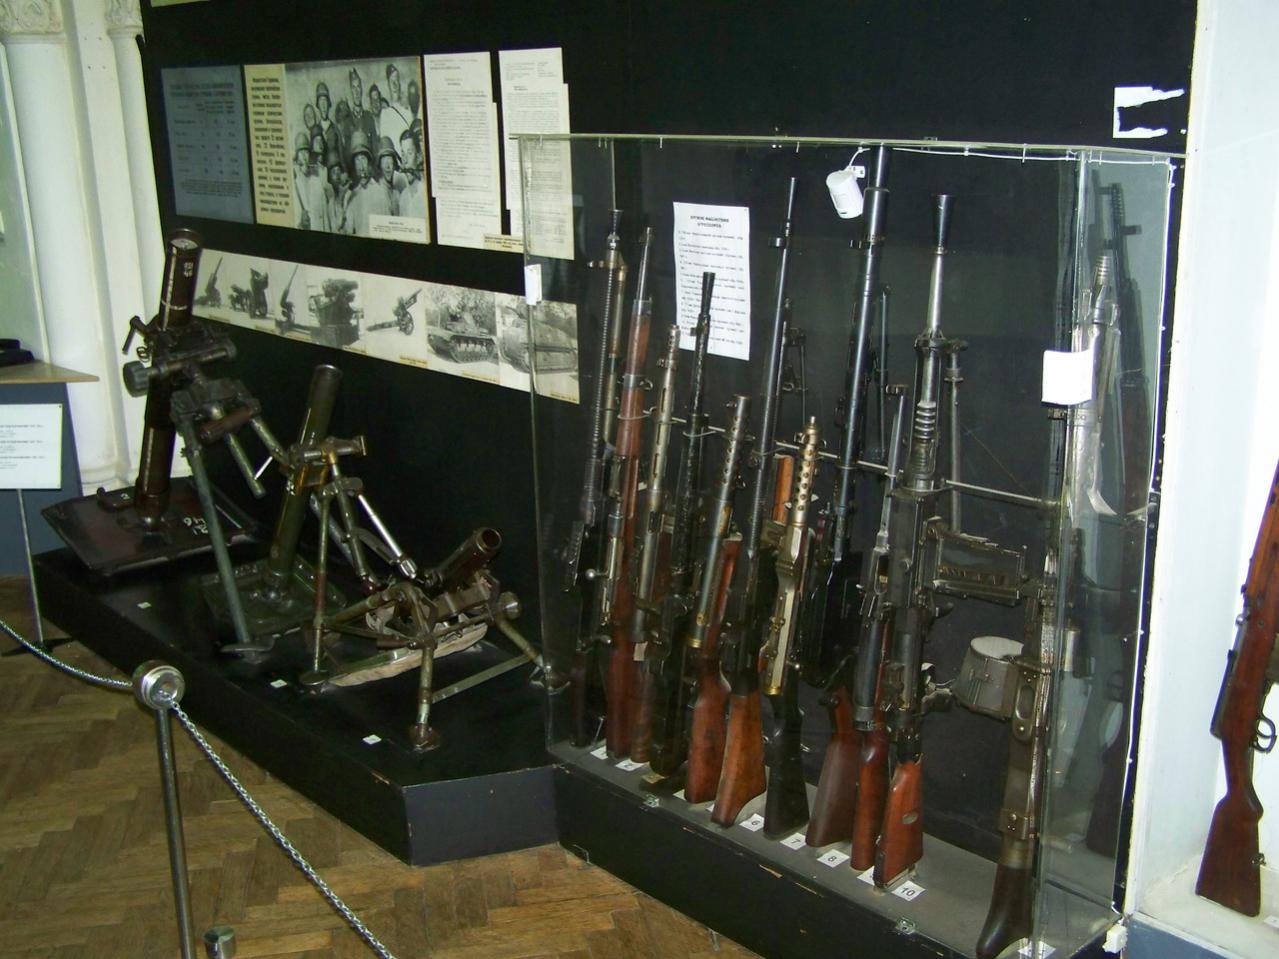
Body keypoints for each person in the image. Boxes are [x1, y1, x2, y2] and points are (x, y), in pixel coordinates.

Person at [342, 131, 391, 236]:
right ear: (354, 165)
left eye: (363, 159)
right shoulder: (351, 195)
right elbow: (349, 230)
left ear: (369, 162)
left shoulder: (380, 192)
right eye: (357, 160)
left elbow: (388, 229)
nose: (361, 165)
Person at [377, 64, 412, 165]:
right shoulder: (385, 114)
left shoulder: (408, 110)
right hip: (396, 165)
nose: (394, 84)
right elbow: (385, 144)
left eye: (396, 80)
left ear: (400, 83)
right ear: (388, 85)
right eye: (391, 81)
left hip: (410, 163)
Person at [397, 124, 426, 221]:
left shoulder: (425, 195)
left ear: (419, 157)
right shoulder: (403, 198)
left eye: (409, 153)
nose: (405, 160)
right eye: (403, 154)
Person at [375, 136, 407, 216]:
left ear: (394, 164)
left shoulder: (397, 195)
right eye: (384, 161)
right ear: (379, 165)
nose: (387, 166)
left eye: (390, 160)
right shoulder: (376, 194)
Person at [346, 68, 377, 148]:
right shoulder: (347, 120)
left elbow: (375, 146)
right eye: (353, 88)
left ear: (362, 90)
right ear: (351, 91)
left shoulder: (369, 117)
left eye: (358, 87)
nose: (356, 92)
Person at [315, 80, 339, 158]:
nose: (323, 106)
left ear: (329, 104)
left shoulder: (335, 130)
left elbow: (341, 156)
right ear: (318, 105)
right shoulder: (315, 130)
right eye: (320, 101)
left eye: (325, 101)